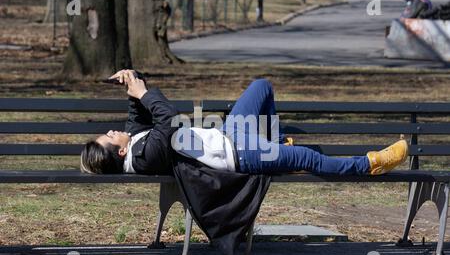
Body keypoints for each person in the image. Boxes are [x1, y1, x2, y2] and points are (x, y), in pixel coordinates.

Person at [80, 70, 408, 177]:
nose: (111, 131)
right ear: (120, 153)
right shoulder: (144, 157)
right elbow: (167, 118)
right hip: (242, 155)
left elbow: (140, 113)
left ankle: (277, 145)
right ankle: (369, 164)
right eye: (109, 137)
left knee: (261, 87)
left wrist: (131, 80)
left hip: (228, 134)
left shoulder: (135, 143)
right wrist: (144, 92)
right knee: (307, 157)